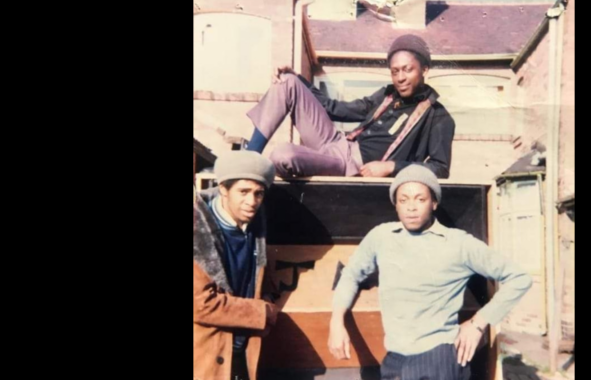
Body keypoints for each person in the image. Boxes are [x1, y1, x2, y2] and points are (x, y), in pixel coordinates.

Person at [327, 165, 532, 379]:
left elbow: (519, 278)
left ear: (434, 202)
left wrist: (477, 324)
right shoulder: (381, 236)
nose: (411, 207)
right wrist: (336, 321)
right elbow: (350, 274)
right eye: (403, 200)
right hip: (394, 359)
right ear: (395, 204)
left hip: (438, 359)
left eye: (420, 199)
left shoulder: (458, 243)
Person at [244, 34, 455, 178]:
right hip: (336, 141)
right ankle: (247, 161)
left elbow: (439, 168)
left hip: (350, 166)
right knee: (287, 81)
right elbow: (335, 108)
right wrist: (299, 79)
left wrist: (391, 167)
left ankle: (253, 175)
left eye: (407, 70)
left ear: (425, 70)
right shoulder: (386, 95)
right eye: (394, 71)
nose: (400, 78)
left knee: (283, 155)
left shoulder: (438, 117)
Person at [193, 151, 280, 380]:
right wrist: (264, 312)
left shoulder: (254, 226)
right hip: (204, 359)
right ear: (223, 189)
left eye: (258, 194)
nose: (252, 202)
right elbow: (202, 305)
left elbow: (260, 275)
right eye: (243, 192)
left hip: (242, 355)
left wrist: (268, 299)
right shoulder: (196, 231)